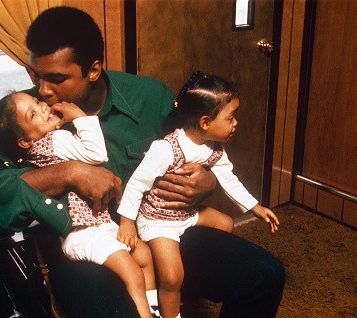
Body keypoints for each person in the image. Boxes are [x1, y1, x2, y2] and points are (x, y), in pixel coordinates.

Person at [0, 6, 285, 317]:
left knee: (265, 275)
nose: (43, 90)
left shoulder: (151, 97)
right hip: (84, 251)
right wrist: (69, 172)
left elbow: (199, 142)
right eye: (35, 75)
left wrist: (207, 180)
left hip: (158, 231)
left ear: (93, 70)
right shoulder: (23, 115)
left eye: (56, 78)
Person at [117, 72, 281, 318]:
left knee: (225, 224)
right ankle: (171, 309)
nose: (236, 123)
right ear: (205, 122)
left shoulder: (214, 149)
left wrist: (255, 207)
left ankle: (192, 280)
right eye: (231, 117)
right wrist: (127, 222)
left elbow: (229, 180)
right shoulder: (166, 149)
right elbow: (137, 184)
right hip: (159, 220)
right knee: (172, 277)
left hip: (187, 213)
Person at [0, 91, 156, 317]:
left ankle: (152, 308)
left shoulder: (32, 150)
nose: (43, 107)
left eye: (37, 102)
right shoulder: (55, 141)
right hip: (85, 232)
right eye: (33, 113)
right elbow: (96, 154)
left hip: (96, 227)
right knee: (133, 272)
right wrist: (79, 116)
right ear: (25, 140)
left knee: (142, 254)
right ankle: (147, 313)